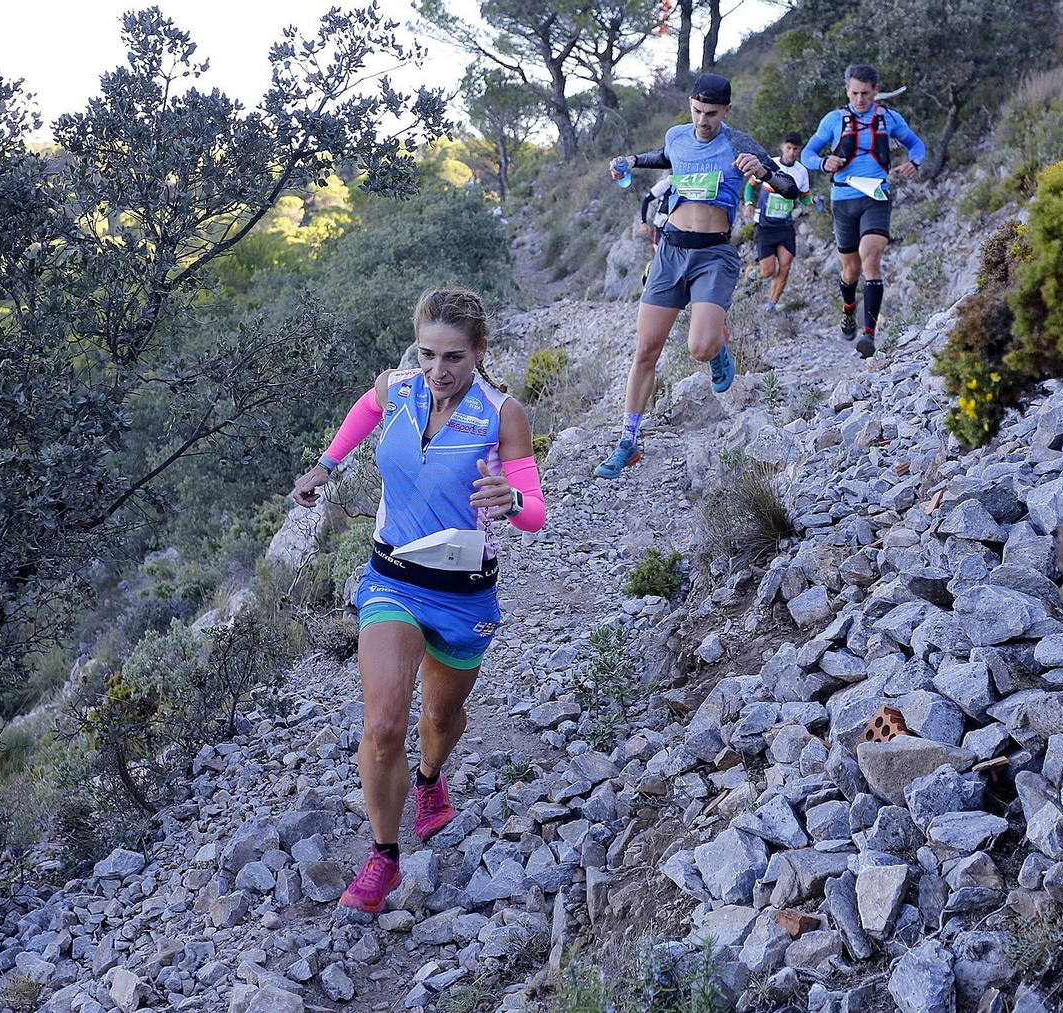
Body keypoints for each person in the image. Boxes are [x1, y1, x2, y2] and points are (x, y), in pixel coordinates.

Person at [289, 288, 546, 918]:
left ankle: (430, 778)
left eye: (454, 357)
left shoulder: (502, 414)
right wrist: (326, 465)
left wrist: (509, 504)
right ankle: (384, 854)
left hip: (463, 594)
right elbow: (363, 411)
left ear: (480, 352)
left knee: (440, 717)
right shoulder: (396, 388)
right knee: (383, 726)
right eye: (429, 354)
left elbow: (534, 512)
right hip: (391, 579)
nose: (439, 370)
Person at [596, 72, 803, 480]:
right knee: (645, 351)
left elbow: (789, 187)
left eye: (711, 114)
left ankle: (717, 351)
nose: (702, 121)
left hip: (714, 254)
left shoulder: (739, 143)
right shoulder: (679, 135)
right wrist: (633, 161)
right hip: (670, 252)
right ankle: (628, 442)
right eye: (696, 111)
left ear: (726, 110)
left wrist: (761, 169)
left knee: (700, 349)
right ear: (689, 104)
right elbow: (667, 155)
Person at [800, 63, 926, 359]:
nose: (860, 99)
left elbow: (916, 144)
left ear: (876, 91)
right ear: (847, 91)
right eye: (854, 93)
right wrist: (822, 163)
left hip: (876, 196)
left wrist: (914, 163)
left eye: (866, 94)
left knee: (871, 258)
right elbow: (807, 154)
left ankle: (868, 334)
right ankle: (848, 311)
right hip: (843, 199)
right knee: (850, 269)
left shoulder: (889, 119)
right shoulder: (833, 120)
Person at [742, 131, 811, 313]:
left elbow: (804, 198)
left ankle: (770, 307)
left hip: (785, 227)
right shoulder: (769, 164)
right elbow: (750, 185)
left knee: (786, 266)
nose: (791, 152)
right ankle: (752, 274)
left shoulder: (801, 171)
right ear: (782, 147)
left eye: (795, 149)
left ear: (800, 150)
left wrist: (815, 201)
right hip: (765, 226)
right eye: (788, 148)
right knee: (768, 271)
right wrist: (749, 204)